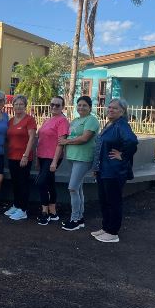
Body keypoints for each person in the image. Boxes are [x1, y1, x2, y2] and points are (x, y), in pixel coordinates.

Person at [91, 98, 138, 243]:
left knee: (113, 201)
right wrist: (96, 167)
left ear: (122, 111)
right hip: (103, 170)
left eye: (115, 108)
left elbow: (132, 141)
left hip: (114, 171)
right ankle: (106, 228)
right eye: (109, 107)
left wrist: (122, 155)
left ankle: (113, 232)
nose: (110, 110)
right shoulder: (110, 124)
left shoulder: (121, 125)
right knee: (105, 200)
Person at [58, 96, 100, 230]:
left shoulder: (92, 120)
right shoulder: (75, 120)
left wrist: (67, 141)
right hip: (72, 157)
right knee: (78, 188)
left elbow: (84, 138)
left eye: (84, 105)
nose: (81, 107)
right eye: (79, 105)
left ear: (90, 107)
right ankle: (80, 218)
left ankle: (74, 219)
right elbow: (70, 134)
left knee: (72, 188)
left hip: (83, 158)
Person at [36, 95, 70, 225]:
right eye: (52, 104)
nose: (54, 107)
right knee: (49, 183)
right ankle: (53, 211)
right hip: (42, 156)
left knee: (41, 183)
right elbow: (41, 140)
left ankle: (45, 211)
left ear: (63, 107)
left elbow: (61, 143)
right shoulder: (47, 120)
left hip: (52, 157)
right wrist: (38, 159)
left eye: (57, 105)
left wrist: (55, 162)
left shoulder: (62, 121)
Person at [4, 95, 37, 221]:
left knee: (23, 183)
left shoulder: (29, 120)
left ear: (25, 106)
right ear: (13, 106)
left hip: (24, 157)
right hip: (12, 156)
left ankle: (23, 210)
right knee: (15, 183)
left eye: (21, 104)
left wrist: (25, 155)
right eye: (16, 104)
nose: (18, 106)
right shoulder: (11, 121)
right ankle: (16, 205)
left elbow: (32, 138)